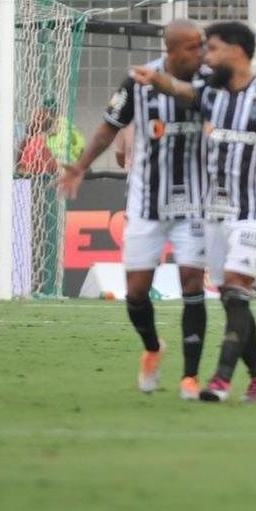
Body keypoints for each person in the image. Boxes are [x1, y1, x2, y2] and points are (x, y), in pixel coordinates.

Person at [133, 20, 256, 402]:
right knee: (232, 294)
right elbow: (182, 90)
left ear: (236, 50)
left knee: (236, 287)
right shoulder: (212, 93)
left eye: (211, 49)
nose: (205, 57)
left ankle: (220, 379)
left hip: (255, 212)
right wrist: (154, 79)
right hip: (214, 214)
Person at [58, 20, 212, 400]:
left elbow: (205, 103)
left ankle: (189, 377)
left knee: (192, 280)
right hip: (146, 203)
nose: (201, 53)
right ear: (172, 50)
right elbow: (108, 128)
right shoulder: (136, 82)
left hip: (194, 201)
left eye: (203, 46)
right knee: (136, 292)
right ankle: (152, 347)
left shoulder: (210, 81)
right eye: (194, 47)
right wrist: (80, 165)